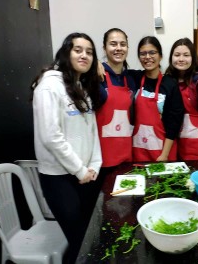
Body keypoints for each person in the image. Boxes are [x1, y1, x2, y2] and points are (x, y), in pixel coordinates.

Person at [31, 33, 102, 264]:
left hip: (84, 177)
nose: (84, 55)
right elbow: (51, 136)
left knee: (87, 237)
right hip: (59, 179)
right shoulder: (49, 85)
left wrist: (94, 165)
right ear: (66, 53)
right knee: (81, 240)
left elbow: (92, 131)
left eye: (89, 51)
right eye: (78, 50)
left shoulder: (80, 86)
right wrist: (80, 170)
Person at [132, 36, 185, 162]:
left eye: (152, 52)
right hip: (138, 149)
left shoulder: (170, 84)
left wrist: (164, 155)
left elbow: (175, 123)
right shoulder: (134, 78)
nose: (148, 57)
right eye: (143, 53)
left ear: (160, 56)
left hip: (163, 150)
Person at [165, 38, 198, 161]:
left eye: (186, 55)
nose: (181, 59)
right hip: (173, 138)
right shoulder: (168, 81)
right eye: (177, 55)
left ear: (193, 58)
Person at [97, 28, 136, 168]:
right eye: (113, 44)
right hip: (101, 159)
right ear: (104, 48)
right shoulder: (96, 76)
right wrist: (93, 64)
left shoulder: (131, 79)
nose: (118, 48)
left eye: (123, 44)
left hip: (127, 156)